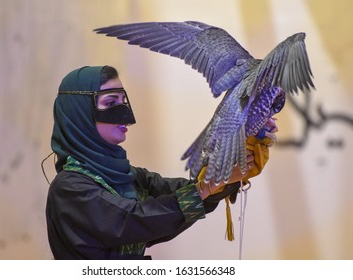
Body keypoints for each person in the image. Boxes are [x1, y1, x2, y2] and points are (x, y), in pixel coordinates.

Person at [45, 65, 276, 260]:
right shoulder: (70, 189)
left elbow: (183, 196)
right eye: (110, 102)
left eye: (124, 100)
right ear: (79, 114)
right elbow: (135, 220)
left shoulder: (129, 176)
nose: (124, 111)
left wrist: (235, 151)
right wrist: (205, 187)